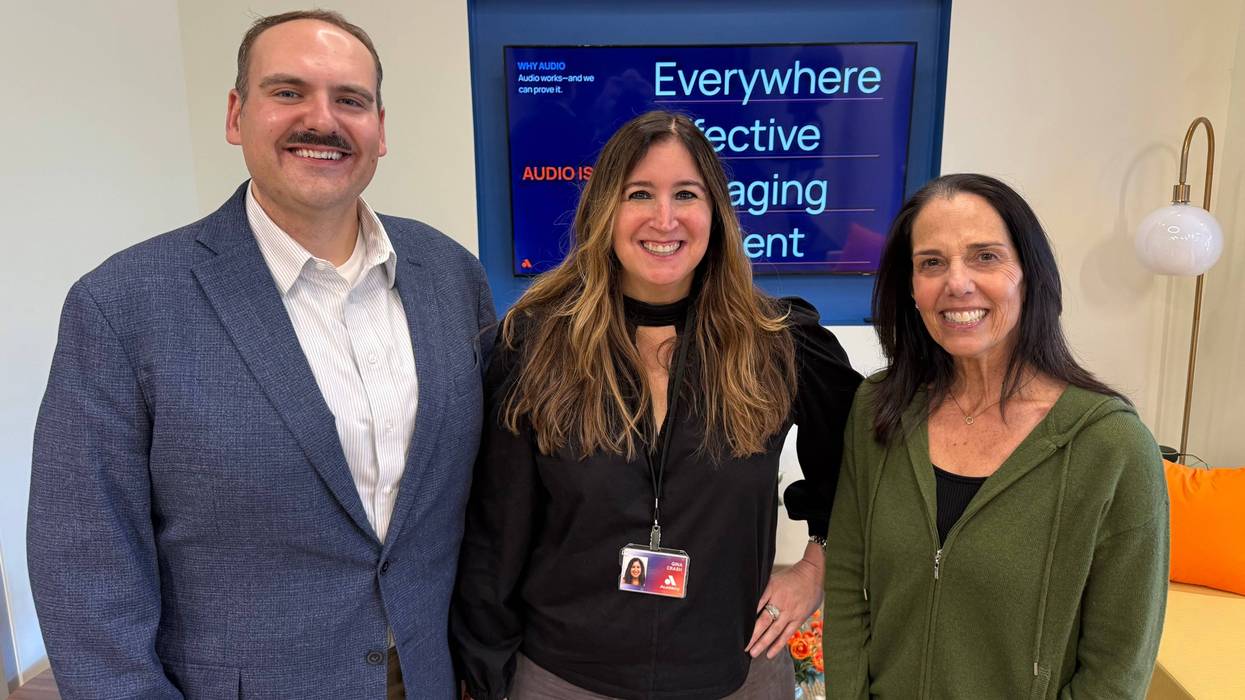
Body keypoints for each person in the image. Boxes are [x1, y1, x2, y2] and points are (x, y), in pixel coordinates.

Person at [27, 10, 493, 699]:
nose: (321, 119)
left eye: (350, 100)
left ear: (381, 130)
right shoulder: (123, 304)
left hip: (428, 677)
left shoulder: (451, 275)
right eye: (287, 92)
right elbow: (84, 562)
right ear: (235, 114)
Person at [451, 111, 861, 699]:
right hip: (562, 677)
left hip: (733, 673)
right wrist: (483, 673)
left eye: (686, 194)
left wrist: (816, 569)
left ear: (715, 213)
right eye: (638, 193)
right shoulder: (535, 344)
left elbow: (864, 466)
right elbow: (497, 530)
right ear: (603, 213)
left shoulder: (778, 341)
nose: (664, 219)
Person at [823, 173, 1169, 698]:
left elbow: (1118, 669)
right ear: (910, 288)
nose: (956, 283)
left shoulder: (1112, 447)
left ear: (1029, 274)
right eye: (931, 262)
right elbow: (848, 584)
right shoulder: (879, 410)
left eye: (985, 256)